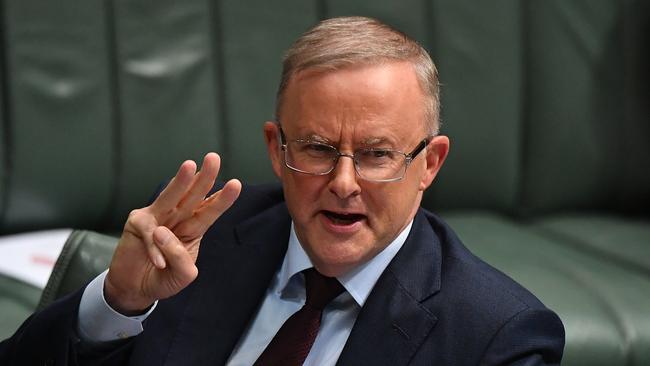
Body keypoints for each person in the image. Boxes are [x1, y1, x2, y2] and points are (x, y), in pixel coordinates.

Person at [0, 16, 564, 365]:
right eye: (318, 149)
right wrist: (119, 303)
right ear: (278, 149)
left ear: (429, 163)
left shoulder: (497, 338)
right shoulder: (201, 237)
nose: (344, 184)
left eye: (376, 155)